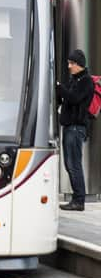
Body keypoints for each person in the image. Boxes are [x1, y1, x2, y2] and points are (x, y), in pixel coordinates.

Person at [56, 49, 94, 211]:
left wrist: (60, 88)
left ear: (79, 64)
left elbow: (74, 98)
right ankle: (77, 199)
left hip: (76, 128)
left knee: (74, 165)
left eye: (71, 63)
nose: (69, 66)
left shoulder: (85, 81)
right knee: (69, 164)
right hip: (70, 127)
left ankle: (79, 201)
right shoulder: (75, 80)